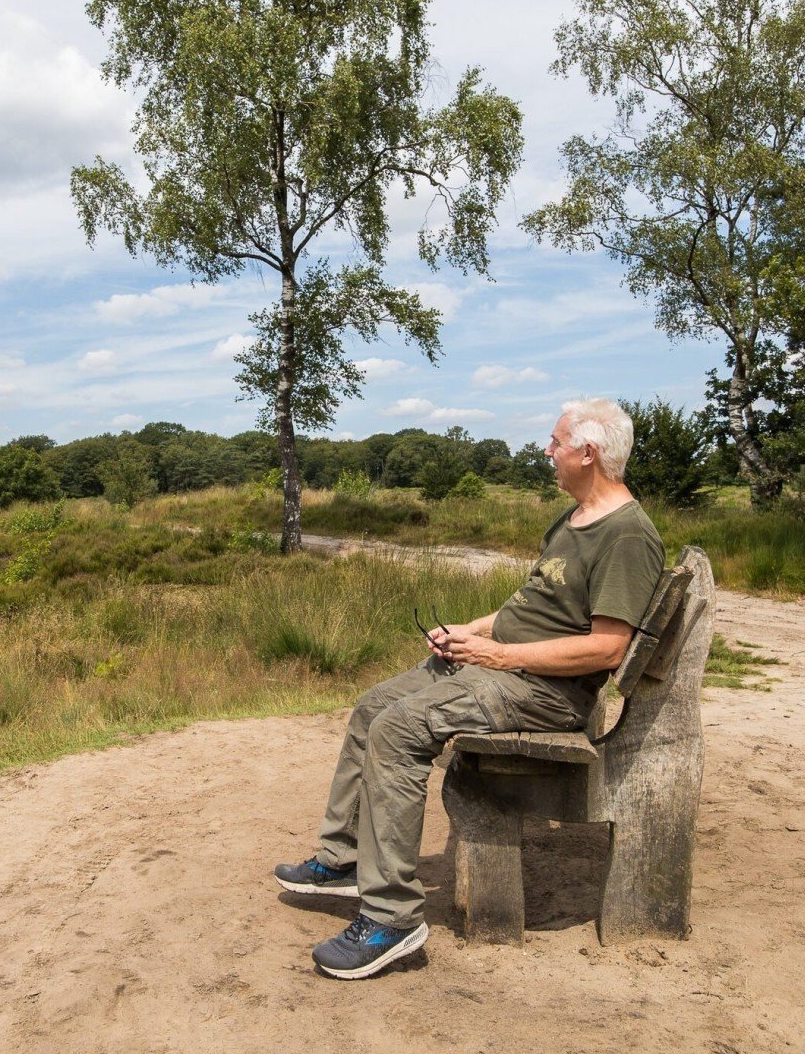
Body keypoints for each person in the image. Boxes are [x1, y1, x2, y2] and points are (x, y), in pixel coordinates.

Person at [273, 397, 666, 980]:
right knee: (374, 706)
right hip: (506, 665)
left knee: (398, 730)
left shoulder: (627, 537)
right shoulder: (572, 519)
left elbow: (607, 649)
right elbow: (533, 608)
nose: (545, 450)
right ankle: (344, 858)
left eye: (555, 442)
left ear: (589, 453)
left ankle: (391, 919)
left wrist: (498, 655)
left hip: (545, 692)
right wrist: (472, 631)